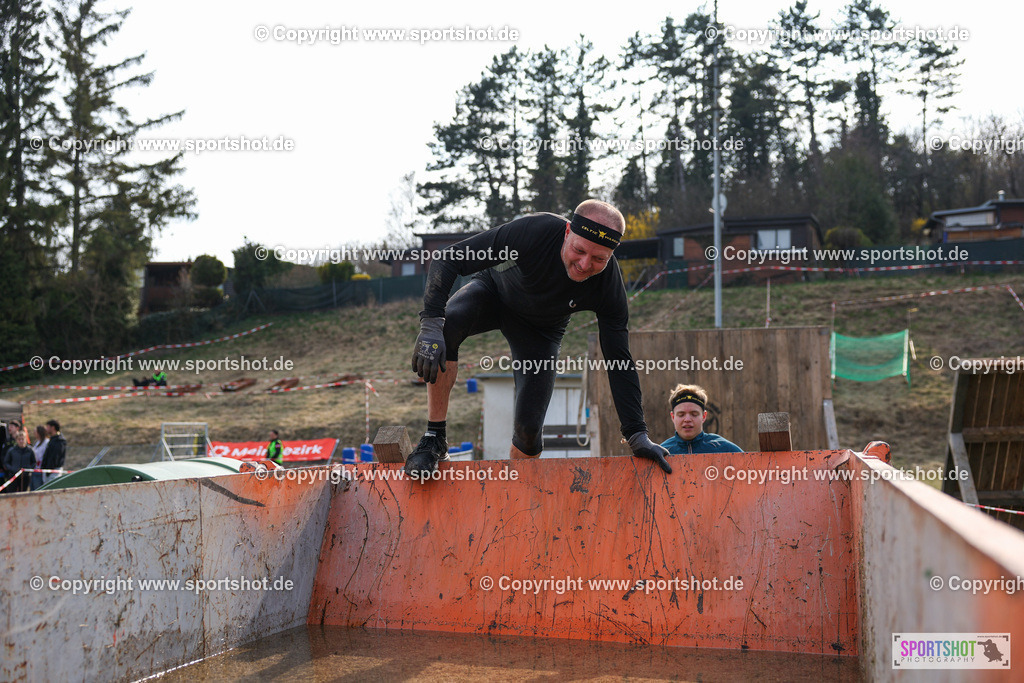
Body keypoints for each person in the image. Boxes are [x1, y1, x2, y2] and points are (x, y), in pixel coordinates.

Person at [407, 199, 671, 477]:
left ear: (611, 256)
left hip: (540, 332)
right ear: (567, 231)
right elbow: (448, 258)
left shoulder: (608, 286)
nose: (584, 265)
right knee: (447, 327)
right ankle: (434, 437)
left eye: (598, 259)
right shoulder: (535, 231)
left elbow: (618, 360)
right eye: (579, 251)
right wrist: (431, 323)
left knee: (529, 433)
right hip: (493, 295)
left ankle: (518, 499)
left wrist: (637, 434)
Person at [660, 384, 743, 454]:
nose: (687, 419)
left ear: (704, 416)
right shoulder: (662, 452)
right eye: (681, 415)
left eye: (694, 414)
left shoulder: (725, 449)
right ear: (673, 417)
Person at [2, 428, 35, 493]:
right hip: (13, 475)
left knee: (23, 493)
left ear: (25, 440)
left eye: (22, 439)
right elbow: (6, 462)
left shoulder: (30, 450)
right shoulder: (11, 450)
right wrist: (12, 469)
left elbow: (34, 462)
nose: (21, 441)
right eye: (19, 439)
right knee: (11, 493)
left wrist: (28, 469)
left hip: (25, 477)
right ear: (16, 440)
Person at [41, 419, 67, 483]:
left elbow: (55, 458)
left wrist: (49, 470)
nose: (46, 429)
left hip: (54, 471)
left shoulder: (60, 441)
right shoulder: (52, 439)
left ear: (53, 428)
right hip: (48, 471)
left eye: (47, 427)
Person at [31, 425, 49, 490]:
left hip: (40, 469)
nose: (34, 433)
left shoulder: (46, 442)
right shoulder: (37, 442)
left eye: (35, 432)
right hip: (34, 469)